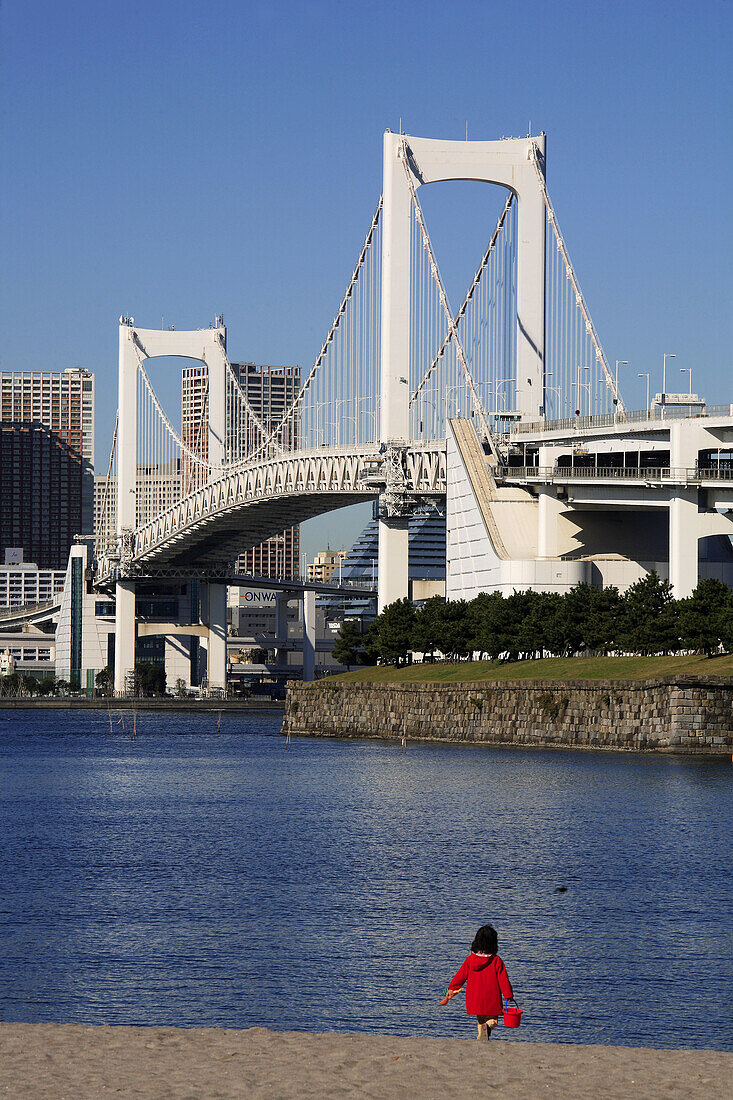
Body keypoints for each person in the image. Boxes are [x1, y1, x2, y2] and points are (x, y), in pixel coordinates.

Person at [440, 924, 514, 1040]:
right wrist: (508, 995)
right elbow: (503, 979)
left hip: (475, 996)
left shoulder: (470, 960)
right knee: (493, 1020)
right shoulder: (496, 961)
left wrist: (452, 988)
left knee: (481, 1019)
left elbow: (461, 975)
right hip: (491, 996)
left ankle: (482, 1037)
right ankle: (487, 1029)